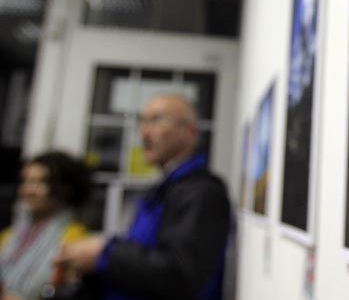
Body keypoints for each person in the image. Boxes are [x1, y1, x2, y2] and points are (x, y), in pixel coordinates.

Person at [57, 94, 231, 300]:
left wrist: (104, 254)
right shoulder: (167, 189)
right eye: (143, 122)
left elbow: (180, 275)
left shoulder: (202, 192)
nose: (144, 133)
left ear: (190, 132)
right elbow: (145, 256)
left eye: (157, 120)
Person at [0, 151, 91, 300]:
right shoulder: (10, 236)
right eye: (25, 181)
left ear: (65, 189)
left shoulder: (74, 239)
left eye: (40, 182)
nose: (28, 190)